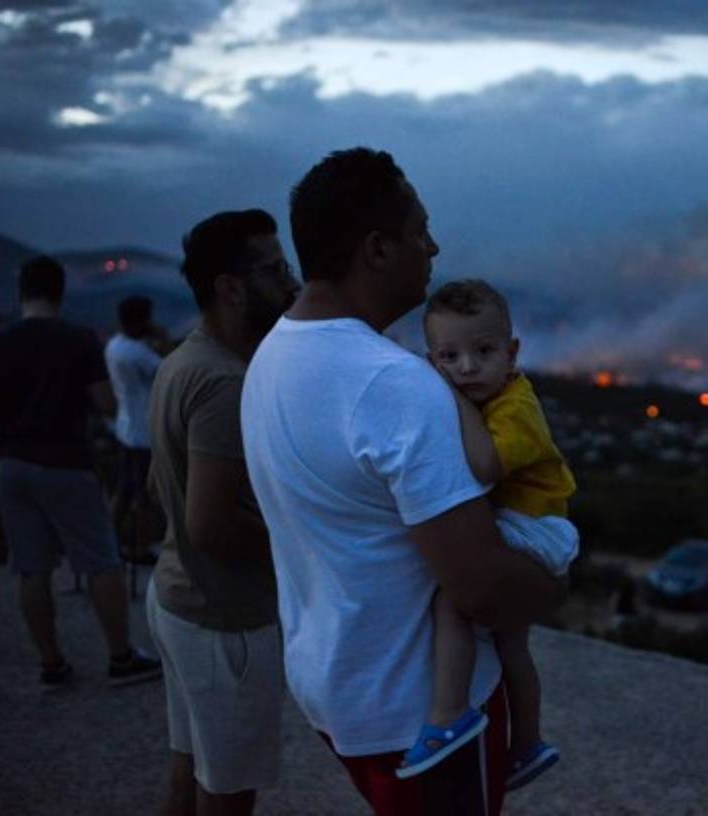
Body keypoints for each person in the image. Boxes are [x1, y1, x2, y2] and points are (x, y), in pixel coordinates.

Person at [241, 147, 566, 816]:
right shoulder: (396, 383)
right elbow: (481, 588)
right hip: (420, 714)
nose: (435, 245)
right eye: (421, 230)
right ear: (379, 249)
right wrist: (554, 579)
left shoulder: (274, 354)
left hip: (336, 690)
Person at [145, 209, 299, 816]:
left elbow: (164, 489)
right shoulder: (226, 382)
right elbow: (209, 524)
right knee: (227, 795)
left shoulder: (183, 360)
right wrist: (297, 544)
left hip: (176, 599)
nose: (291, 283)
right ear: (231, 289)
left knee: (189, 771)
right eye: (275, 269)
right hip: (224, 622)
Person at [410, 279, 578, 790]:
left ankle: (448, 715)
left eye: (483, 352)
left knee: (453, 598)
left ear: (512, 352)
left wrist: (448, 397)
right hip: (533, 521)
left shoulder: (515, 406)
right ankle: (528, 745)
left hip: (537, 527)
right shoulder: (494, 393)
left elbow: (484, 466)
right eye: (449, 357)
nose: (467, 368)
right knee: (512, 648)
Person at [0, 255, 162, 690]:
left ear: (22, 293)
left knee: (31, 567)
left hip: (12, 463)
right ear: (60, 292)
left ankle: (52, 664)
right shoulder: (78, 340)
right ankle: (120, 656)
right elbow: (106, 404)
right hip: (66, 461)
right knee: (100, 558)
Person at [105, 295, 163, 565]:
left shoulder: (114, 346)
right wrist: (161, 342)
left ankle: (111, 543)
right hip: (144, 434)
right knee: (145, 495)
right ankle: (141, 547)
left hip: (124, 427)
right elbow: (166, 370)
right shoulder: (140, 353)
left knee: (123, 490)